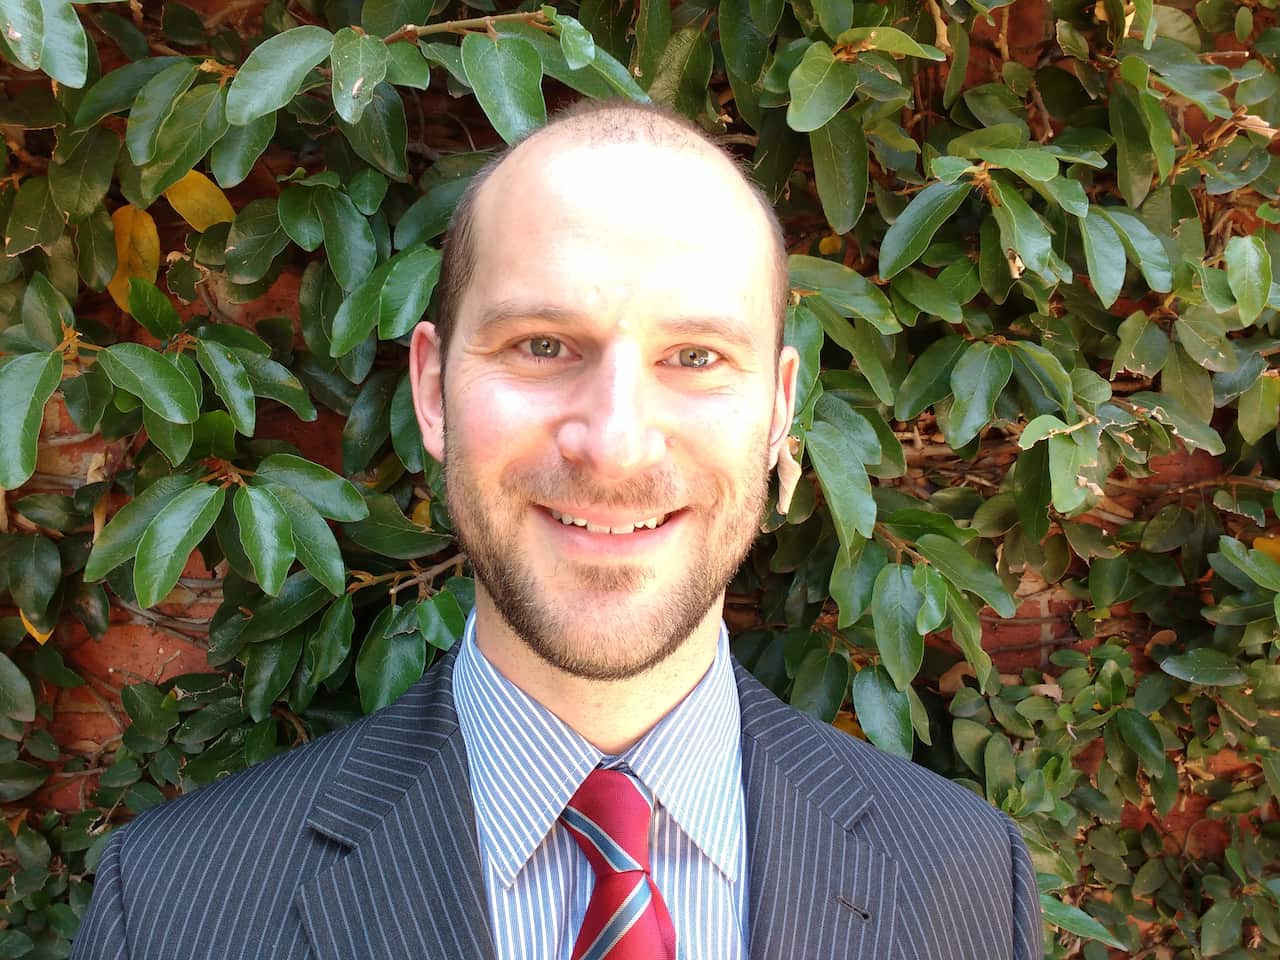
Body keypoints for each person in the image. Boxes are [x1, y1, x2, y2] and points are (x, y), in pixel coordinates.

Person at [71, 99, 1042, 960]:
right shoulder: (169, 908)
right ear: (431, 389)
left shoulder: (962, 882)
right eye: (541, 345)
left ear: (780, 409)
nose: (613, 445)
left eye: (695, 356)